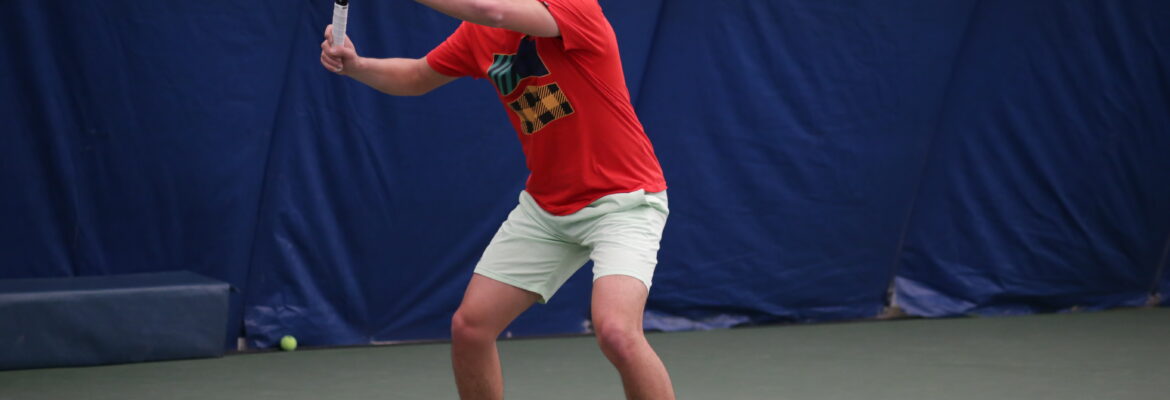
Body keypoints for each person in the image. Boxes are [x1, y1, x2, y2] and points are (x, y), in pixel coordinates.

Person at [320, 1, 673, 399]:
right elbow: (417, 76)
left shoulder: (573, 7)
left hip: (623, 201)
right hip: (547, 209)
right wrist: (357, 66)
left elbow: (494, 11)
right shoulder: (478, 34)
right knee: (470, 328)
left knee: (617, 332)